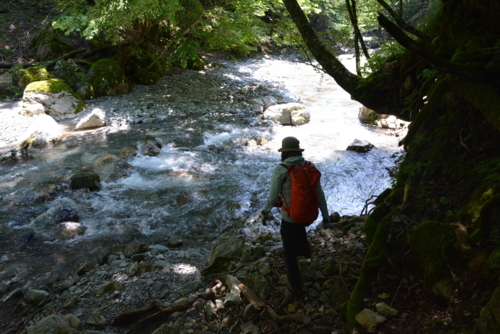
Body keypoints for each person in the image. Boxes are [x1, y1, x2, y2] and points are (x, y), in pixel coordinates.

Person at [261, 136, 330, 299]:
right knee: (300, 222)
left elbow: (272, 197)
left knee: (289, 253)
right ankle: (305, 250)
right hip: (308, 214)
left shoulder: (281, 170)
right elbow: (319, 194)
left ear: (284, 153)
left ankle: (296, 286)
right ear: (298, 151)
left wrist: (265, 212)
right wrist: (326, 217)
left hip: (290, 218)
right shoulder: (310, 166)